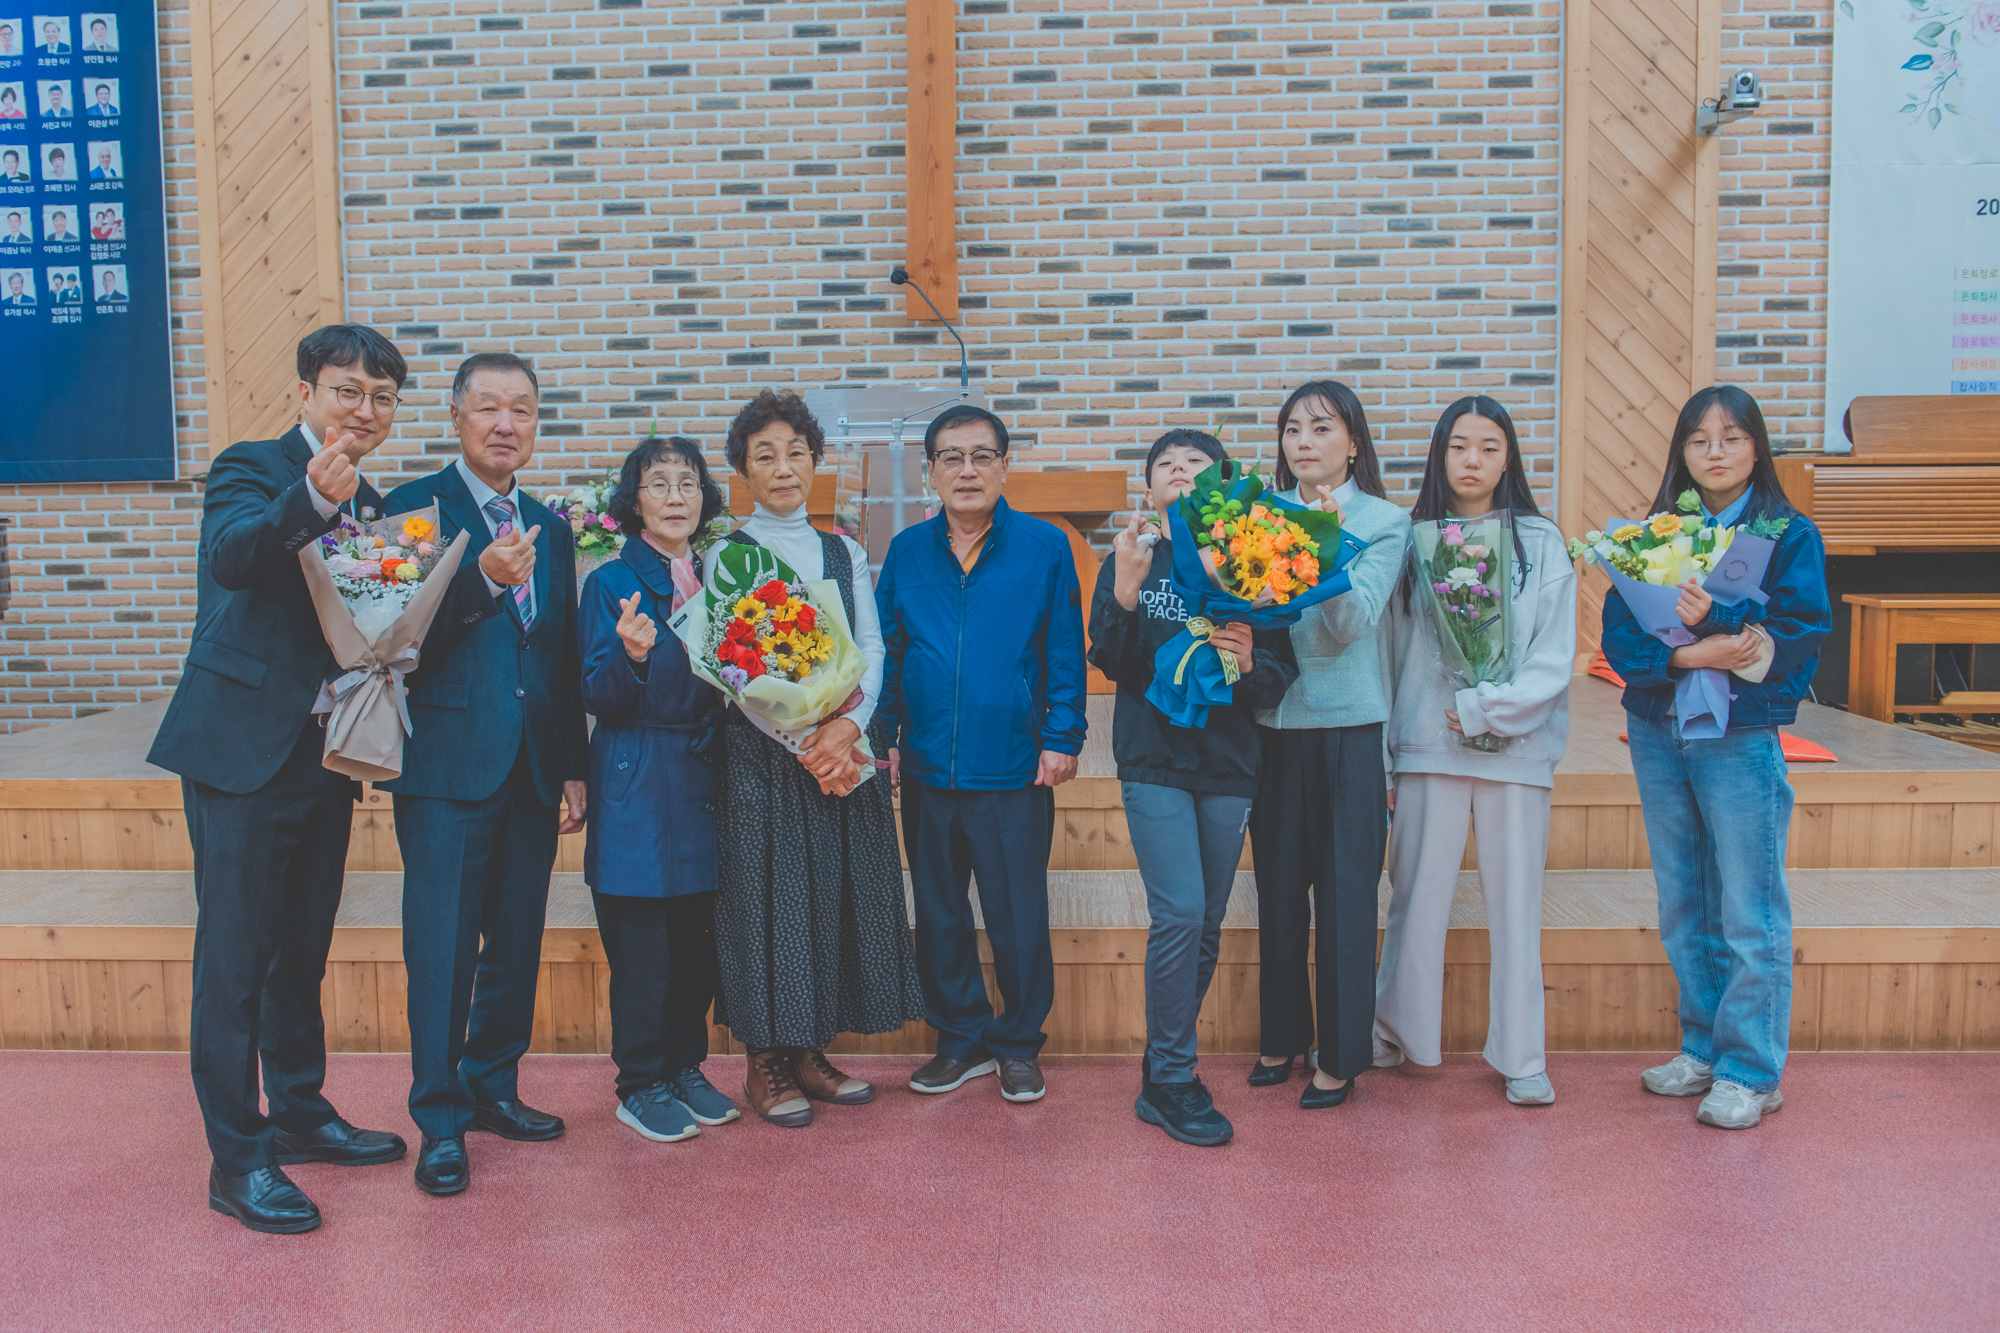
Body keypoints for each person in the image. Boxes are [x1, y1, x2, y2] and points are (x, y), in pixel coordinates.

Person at [146, 326, 441, 1234]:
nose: (366, 410)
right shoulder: (251, 466)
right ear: (306, 393)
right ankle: (237, 1158)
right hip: (241, 753)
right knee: (235, 962)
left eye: (383, 398)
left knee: (301, 950)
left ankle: (301, 1112)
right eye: (349, 390)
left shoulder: (376, 503)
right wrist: (311, 496)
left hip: (324, 755)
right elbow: (235, 557)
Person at [379, 352, 589, 1194]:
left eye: (523, 409)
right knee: (442, 948)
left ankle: (493, 1085)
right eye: (489, 407)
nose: (507, 423)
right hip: (445, 764)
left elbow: (559, 651)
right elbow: (389, 637)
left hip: (532, 763)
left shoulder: (551, 524)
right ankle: (439, 1119)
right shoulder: (411, 509)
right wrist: (480, 580)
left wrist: (572, 762)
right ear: (456, 416)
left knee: (516, 939)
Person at [1602, 385, 1830, 1131]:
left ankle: (1750, 1070)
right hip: (1660, 729)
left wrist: (1722, 619)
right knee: (1682, 899)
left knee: (1748, 904)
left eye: (1731, 437)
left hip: (1739, 733)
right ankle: (1702, 1047)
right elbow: (1622, 639)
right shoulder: (1654, 533)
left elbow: (1797, 635)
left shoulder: (1786, 533)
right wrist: (1693, 651)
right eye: (1699, 440)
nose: (1716, 452)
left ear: (1756, 447)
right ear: (1682, 453)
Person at [708, 389, 923, 1127]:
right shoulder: (727, 555)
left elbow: (871, 647)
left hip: (840, 747)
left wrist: (850, 725)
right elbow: (730, 669)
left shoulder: (844, 550)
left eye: (796, 452)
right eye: (764, 455)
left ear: (815, 462)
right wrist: (805, 741)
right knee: (768, 903)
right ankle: (764, 1059)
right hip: (764, 760)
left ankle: (809, 1047)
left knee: (829, 898)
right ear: (743, 470)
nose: (783, 467)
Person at [1088, 429, 1295, 1146]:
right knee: (1178, 912)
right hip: (1154, 759)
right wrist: (1123, 590)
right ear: (1149, 489)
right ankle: (1173, 1078)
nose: (1179, 472)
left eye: (1195, 463)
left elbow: (1277, 678)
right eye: (1165, 466)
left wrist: (1249, 659)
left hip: (1230, 762)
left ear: (1223, 481)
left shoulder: (1255, 557)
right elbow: (1111, 661)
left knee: (1205, 922)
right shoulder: (1134, 556)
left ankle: (1162, 1062)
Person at [877, 404, 1088, 1105]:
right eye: (952, 458)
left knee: (1016, 915)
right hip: (928, 765)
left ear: (1004, 466)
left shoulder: (1044, 546)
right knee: (940, 913)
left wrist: (1063, 736)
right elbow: (889, 651)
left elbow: (1064, 649)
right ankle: (960, 1040)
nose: (967, 470)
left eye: (981, 456)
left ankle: (1018, 1045)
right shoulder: (907, 551)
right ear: (930, 471)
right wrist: (884, 737)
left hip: (1014, 765)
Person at [1373, 396, 1575, 1106]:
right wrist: (1389, 755)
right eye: (1460, 445)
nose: (1473, 460)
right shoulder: (1409, 540)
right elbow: (1389, 655)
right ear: (1439, 454)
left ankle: (1522, 1054)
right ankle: (1395, 1029)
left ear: (1508, 457)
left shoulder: (1541, 542)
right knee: (1414, 897)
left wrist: (1489, 709)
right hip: (1428, 744)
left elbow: (1554, 655)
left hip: (1515, 751)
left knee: (1516, 905)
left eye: (1490, 447)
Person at [1249, 380, 1411, 1108]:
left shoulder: (1382, 521)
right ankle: (1281, 1034)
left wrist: (1322, 545)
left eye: (1321, 428)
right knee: (1279, 893)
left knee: (1346, 899)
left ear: (1353, 442)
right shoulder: (1258, 515)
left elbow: (1350, 625)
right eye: (1292, 429)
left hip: (1347, 727)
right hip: (1273, 723)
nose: (1304, 442)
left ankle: (1340, 1055)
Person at [578, 434, 738, 1143]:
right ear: (634, 500)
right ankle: (640, 1082)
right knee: (644, 945)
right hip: (637, 774)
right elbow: (595, 692)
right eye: (659, 484)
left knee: (695, 942)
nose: (676, 497)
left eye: (688, 483)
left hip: (704, 773)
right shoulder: (609, 582)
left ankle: (685, 1065)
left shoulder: (721, 578)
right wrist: (631, 657)